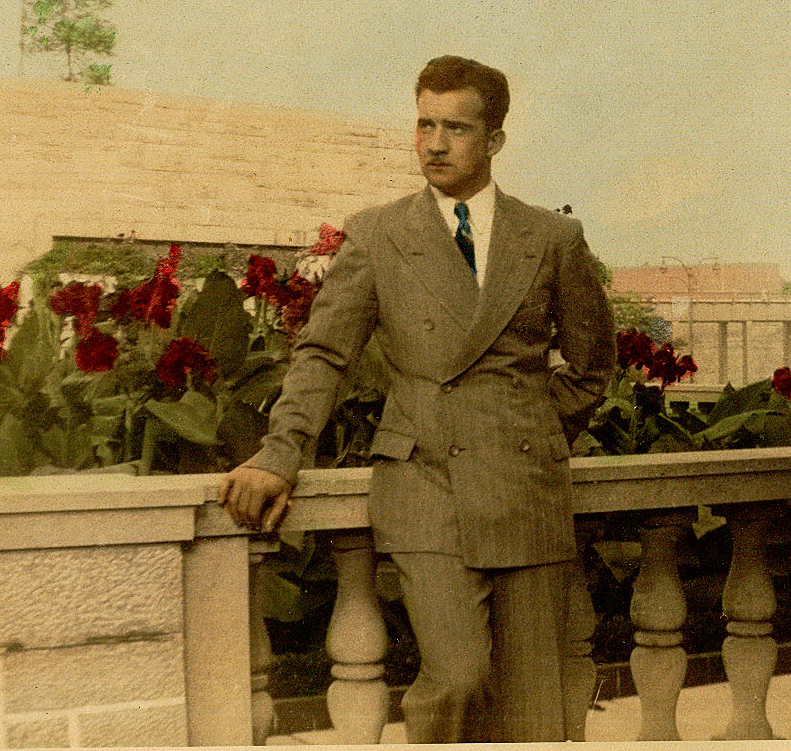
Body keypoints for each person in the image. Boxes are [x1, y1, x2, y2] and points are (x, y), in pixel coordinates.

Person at [219, 55, 616, 743]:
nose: (433, 144)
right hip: (425, 481)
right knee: (457, 676)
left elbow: (592, 362)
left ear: (494, 139)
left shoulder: (551, 238)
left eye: (455, 128)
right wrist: (280, 453)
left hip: (525, 485)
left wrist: (533, 428)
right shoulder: (378, 233)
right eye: (423, 124)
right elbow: (324, 354)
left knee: (534, 704)